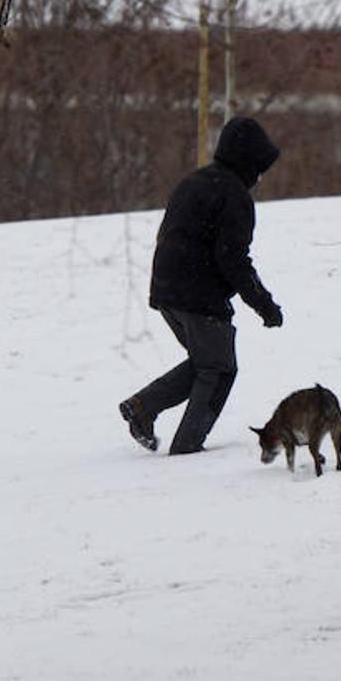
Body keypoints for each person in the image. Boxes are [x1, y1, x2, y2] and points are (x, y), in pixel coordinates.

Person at [119, 116, 284, 454]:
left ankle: (142, 407)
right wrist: (264, 304)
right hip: (197, 294)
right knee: (219, 368)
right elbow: (233, 260)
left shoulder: (194, 181)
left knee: (206, 361)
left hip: (167, 290)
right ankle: (187, 447)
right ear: (248, 161)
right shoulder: (234, 196)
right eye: (259, 167)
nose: (261, 176)